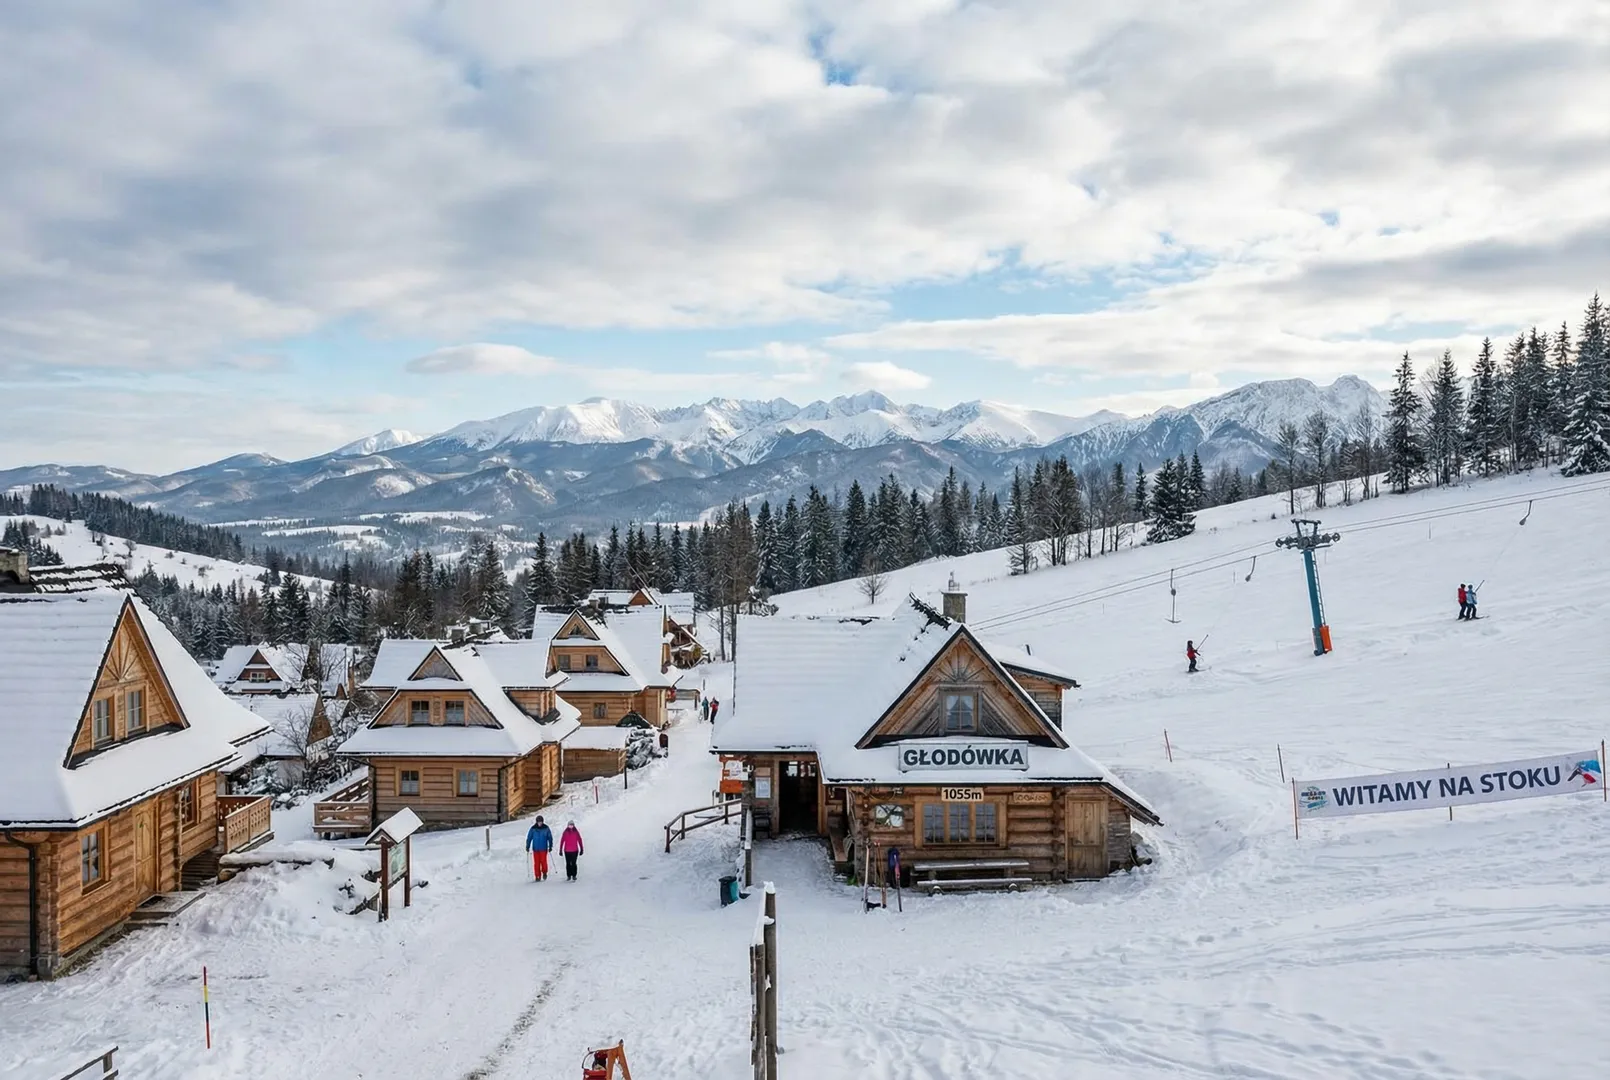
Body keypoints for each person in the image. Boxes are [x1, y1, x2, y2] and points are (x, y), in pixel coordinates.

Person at [525, 815, 553, 881]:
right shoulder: (533, 829)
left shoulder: (546, 828)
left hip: (543, 848)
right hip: (536, 849)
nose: (540, 823)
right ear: (536, 822)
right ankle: (537, 876)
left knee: (543, 861)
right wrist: (527, 846)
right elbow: (529, 838)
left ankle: (544, 872)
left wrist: (550, 845)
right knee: (536, 863)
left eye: (541, 822)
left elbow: (550, 838)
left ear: (543, 822)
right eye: (538, 822)